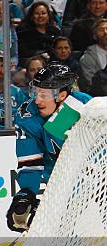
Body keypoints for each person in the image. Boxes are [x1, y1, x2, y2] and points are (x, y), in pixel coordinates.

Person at [7, 64, 92, 232]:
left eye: (43, 95)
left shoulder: (86, 107)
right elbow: (30, 162)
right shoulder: (28, 114)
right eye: (35, 92)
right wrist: (26, 194)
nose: (37, 100)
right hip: (60, 181)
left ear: (61, 95)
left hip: (94, 176)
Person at [78, 18, 107, 92]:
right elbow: (92, 83)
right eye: (101, 30)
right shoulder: (87, 58)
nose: (105, 32)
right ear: (95, 34)